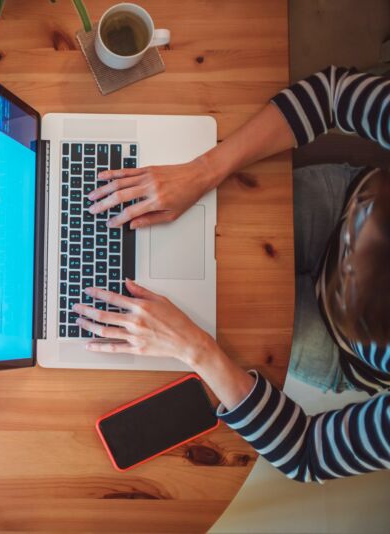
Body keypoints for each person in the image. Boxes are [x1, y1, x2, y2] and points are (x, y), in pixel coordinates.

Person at [75, 66, 390, 482]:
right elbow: (332, 95)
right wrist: (203, 170)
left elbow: (308, 453)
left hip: (339, 343)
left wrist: (196, 349)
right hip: (346, 212)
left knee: (192, 320)